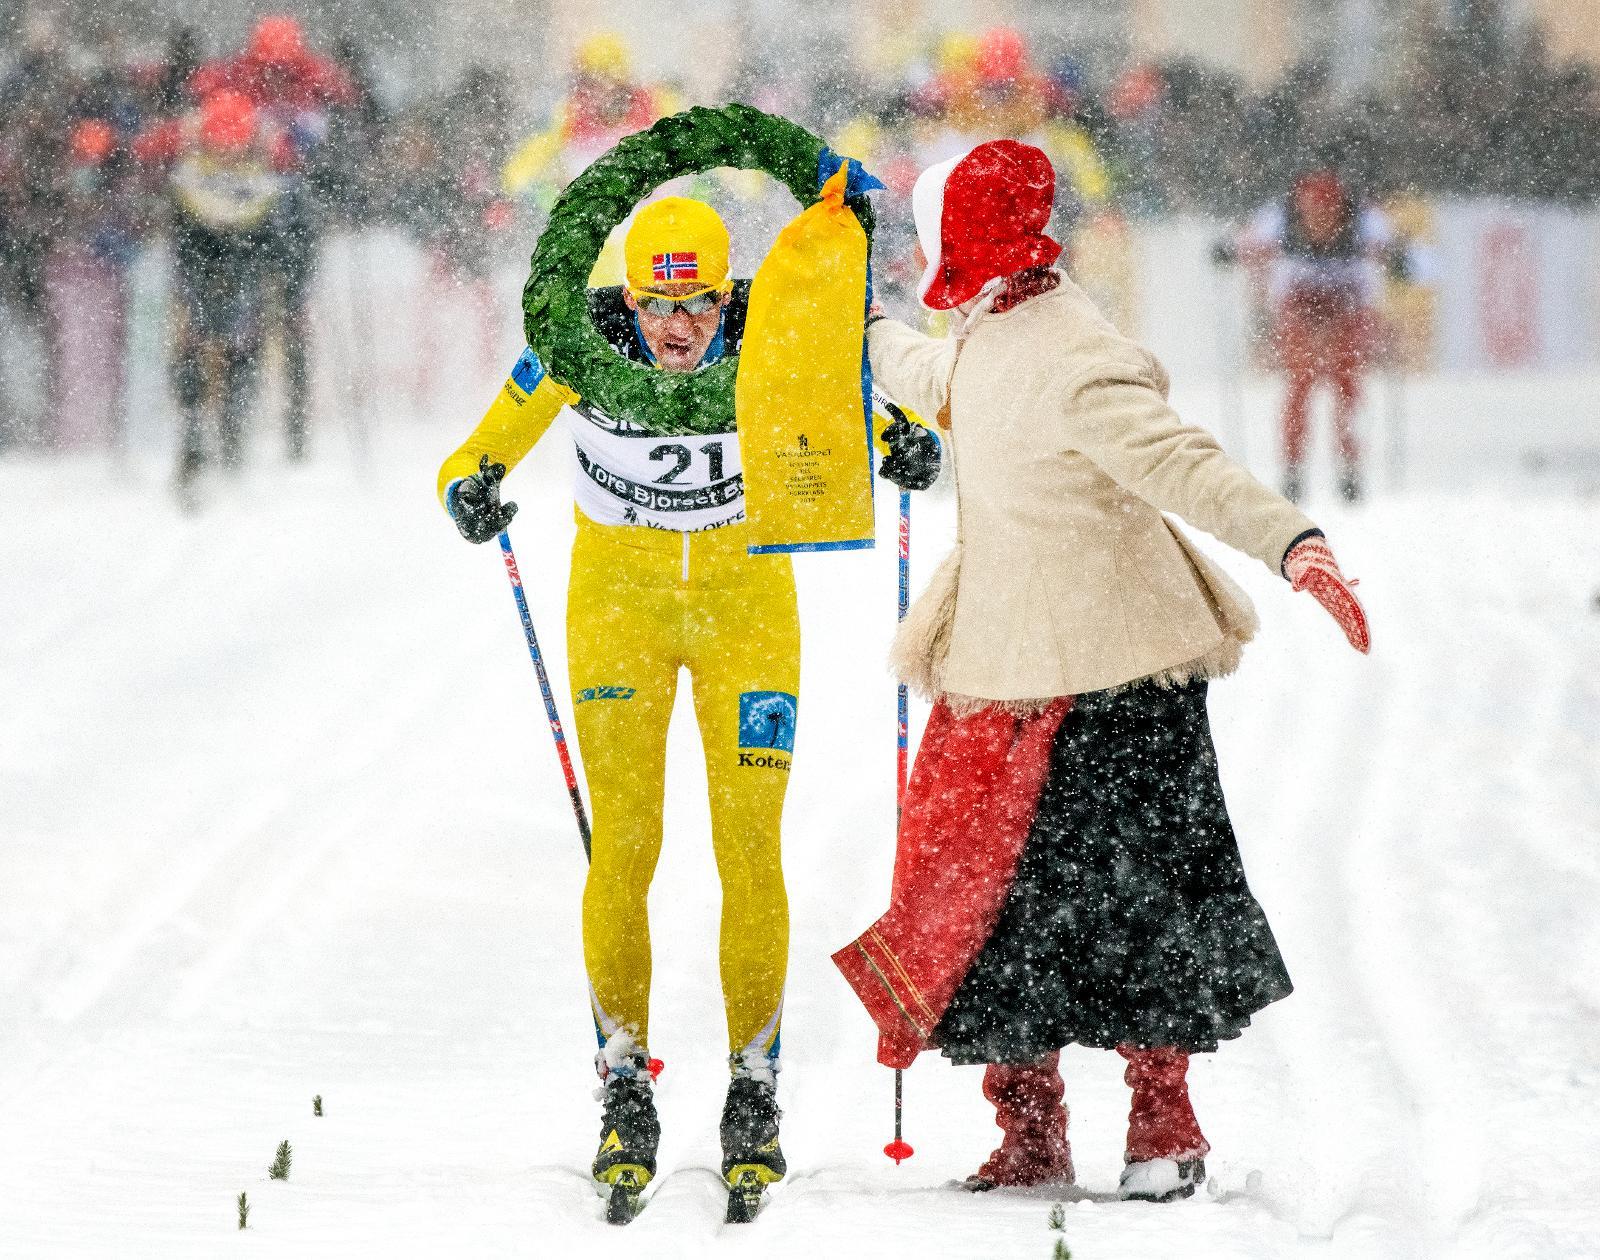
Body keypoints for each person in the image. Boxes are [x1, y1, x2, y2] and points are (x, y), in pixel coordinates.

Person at [833, 140, 1369, 1203]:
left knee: (1140, 907)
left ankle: (1161, 1125)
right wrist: (856, 329)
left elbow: (1181, 461)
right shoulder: (991, 324)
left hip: (1116, 685)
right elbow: (943, 380)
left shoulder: (1077, 351)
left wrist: (1290, 541)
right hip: (1004, 666)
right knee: (998, 909)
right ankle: (1029, 1131)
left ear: (963, 238)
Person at [437, 196, 939, 1213]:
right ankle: (625, 1082)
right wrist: (469, 493)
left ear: (727, 296)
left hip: (747, 616)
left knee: (747, 847)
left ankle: (753, 1089)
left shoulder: (773, 339)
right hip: (617, 617)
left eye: (701, 304)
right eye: (659, 303)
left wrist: (905, 446)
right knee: (626, 845)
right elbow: (473, 453)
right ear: (627, 295)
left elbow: (871, 415)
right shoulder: (577, 343)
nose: (679, 327)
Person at [1217, 163, 1407, 503]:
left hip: (1349, 306)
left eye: (1327, 214)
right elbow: (1246, 245)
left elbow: (1405, 255)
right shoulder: (1279, 218)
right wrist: (1227, 251)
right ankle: (1292, 471)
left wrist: (1399, 258)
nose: (1319, 224)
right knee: (1300, 382)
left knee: (1346, 384)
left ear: (1340, 208)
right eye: (1312, 214)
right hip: (1298, 305)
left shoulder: (1364, 220)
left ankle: (1350, 468)